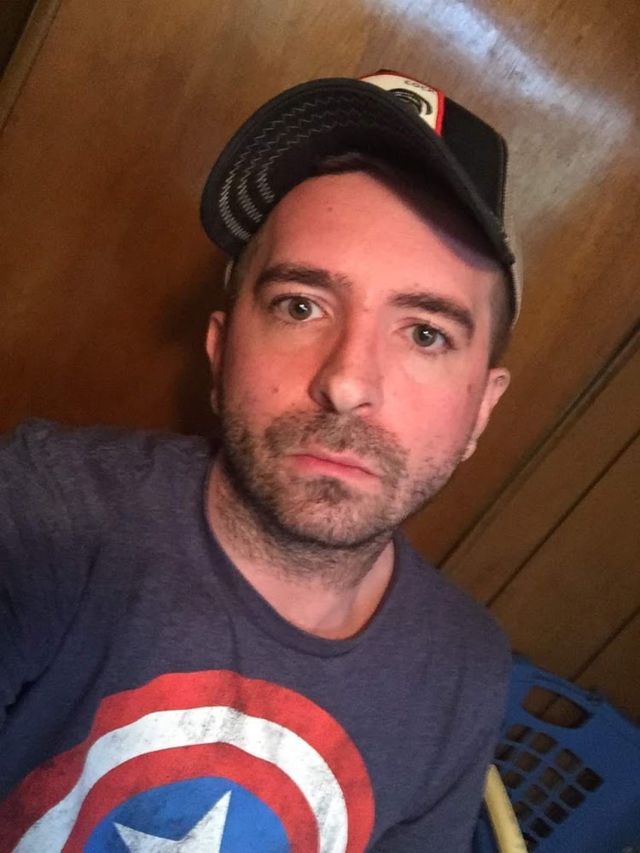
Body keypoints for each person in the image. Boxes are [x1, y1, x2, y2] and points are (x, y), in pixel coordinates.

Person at [0, 71, 520, 850]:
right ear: (220, 351)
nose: (347, 381)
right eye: (300, 305)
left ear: (481, 409)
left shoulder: (466, 669)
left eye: (425, 333)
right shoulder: (45, 514)